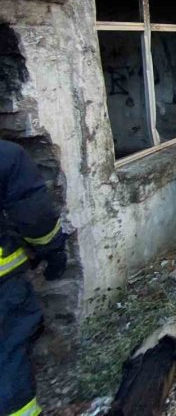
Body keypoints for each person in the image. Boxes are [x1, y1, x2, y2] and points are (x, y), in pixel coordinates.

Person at [1, 140, 68, 416]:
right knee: (8, 361)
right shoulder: (7, 156)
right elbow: (36, 217)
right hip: (3, 289)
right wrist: (54, 253)